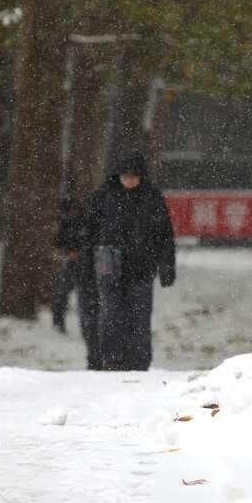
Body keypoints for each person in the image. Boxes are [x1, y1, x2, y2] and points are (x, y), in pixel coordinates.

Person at [80, 151, 176, 371]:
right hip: (108, 266)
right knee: (110, 315)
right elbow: (89, 233)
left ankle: (139, 362)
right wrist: (86, 265)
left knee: (139, 317)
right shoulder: (103, 196)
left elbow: (164, 235)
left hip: (141, 267)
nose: (129, 180)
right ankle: (111, 359)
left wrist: (167, 265)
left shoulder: (152, 198)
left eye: (133, 176)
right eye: (125, 176)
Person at [50, 198, 82, 333]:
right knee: (61, 293)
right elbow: (57, 242)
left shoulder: (79, 223)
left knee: (63, 293)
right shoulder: (64, 223)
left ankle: (58, 321)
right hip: (68, 261)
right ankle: (58, 322)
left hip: (79, 262)